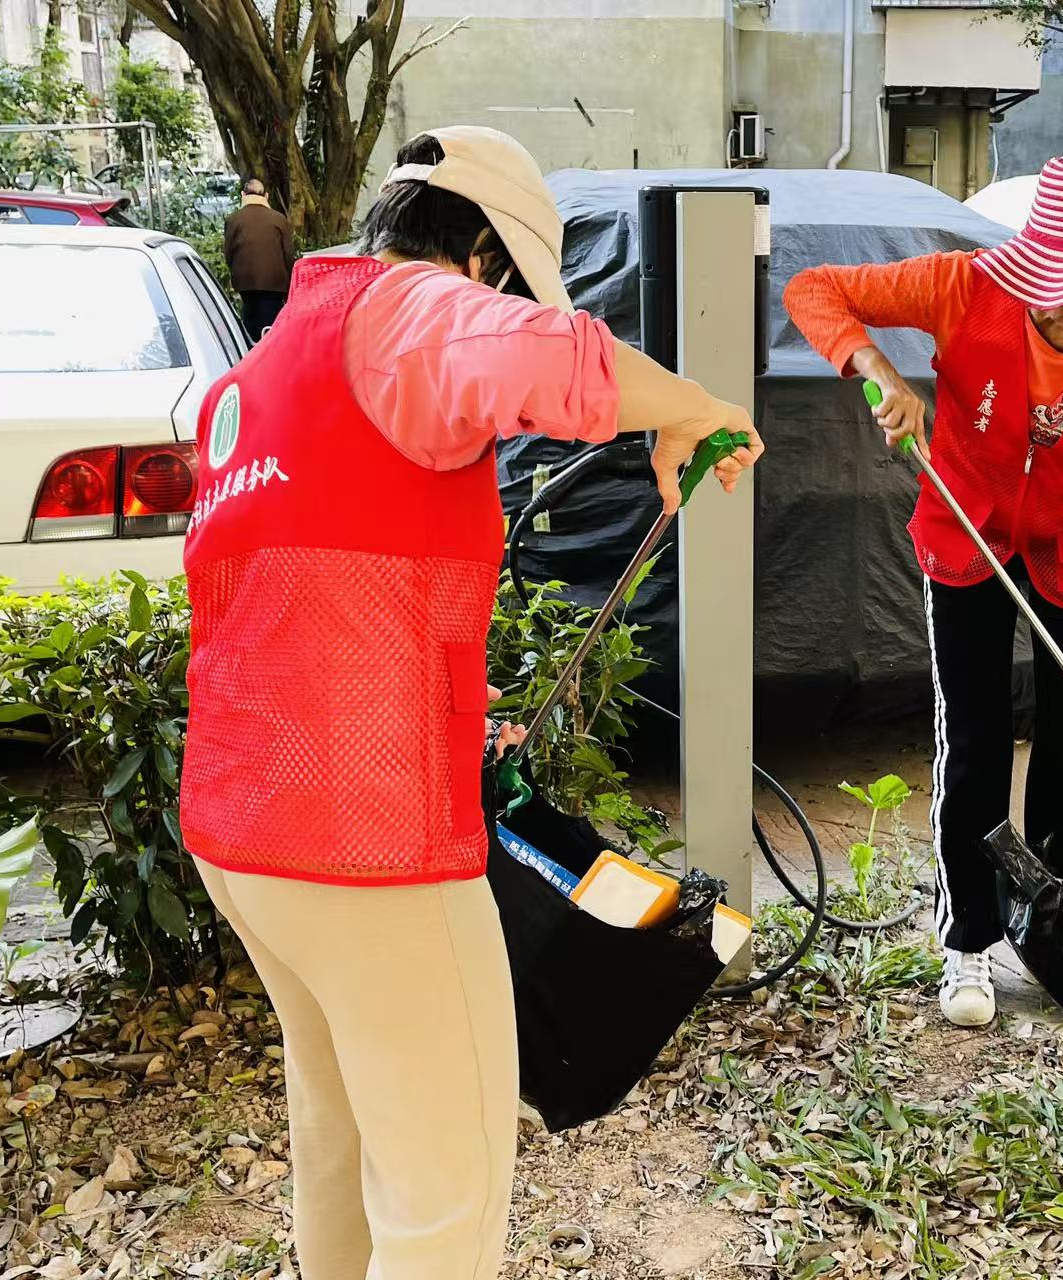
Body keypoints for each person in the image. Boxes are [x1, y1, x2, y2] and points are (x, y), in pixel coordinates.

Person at [178, 126, 762, 1278]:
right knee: (442, 1199)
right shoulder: (409, 308)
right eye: (507, 285)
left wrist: (439, 695)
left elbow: (296, 601)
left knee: (340, 1138)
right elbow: (555, 358)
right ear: (484, 257)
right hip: (366, 843)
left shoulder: (265, 368)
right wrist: (693, 405)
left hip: (243, 830)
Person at [784, 151, 1063, 1030]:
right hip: (967, 534)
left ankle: (1049, 931)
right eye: (1058, 285)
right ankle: (968, 937)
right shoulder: (964, 287)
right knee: (972, 746)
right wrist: (877, 369)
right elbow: (815, 289)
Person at [222, 177, 295, 337]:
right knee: (271, 327)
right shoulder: (279, 219)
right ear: (266, 196)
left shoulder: (233, 220)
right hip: (275, 283)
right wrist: (289, 284)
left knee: (250, 321)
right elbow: (288, 254)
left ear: (243, 195)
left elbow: (228, 253)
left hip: (245, 282)